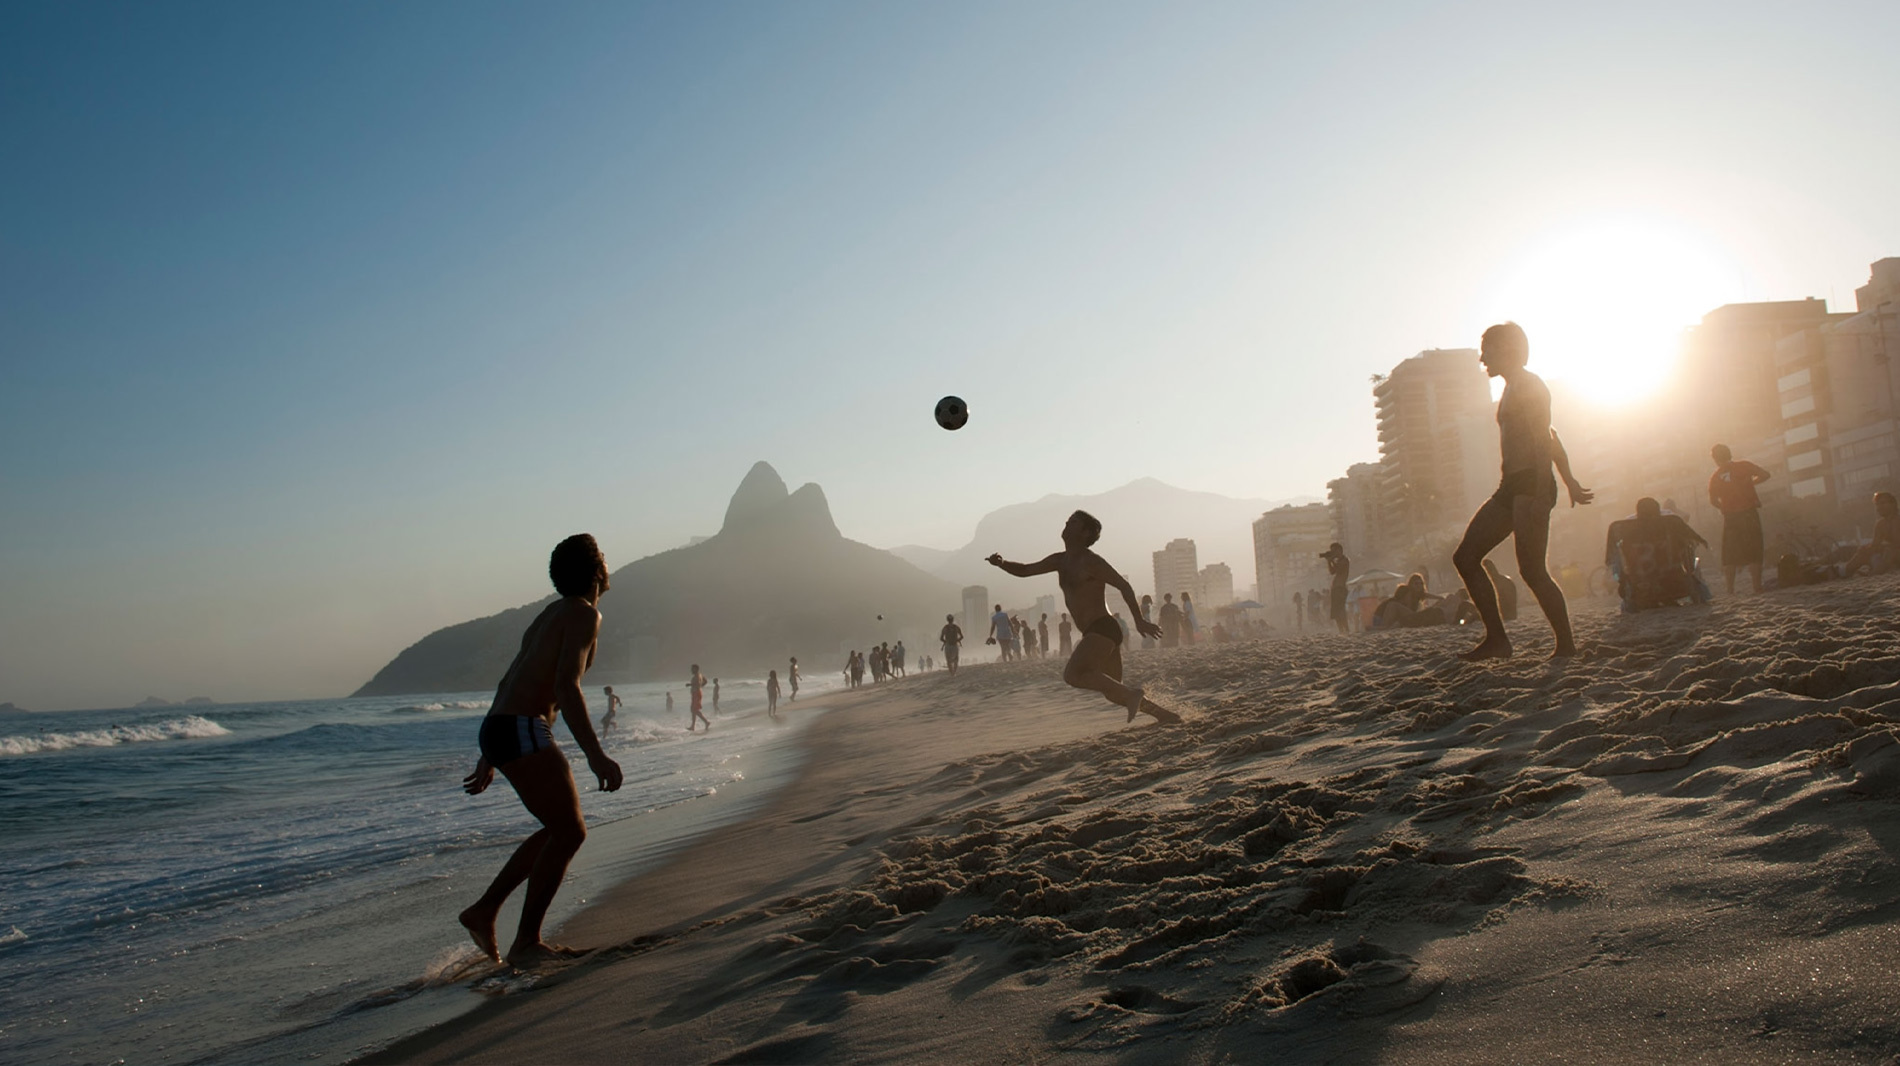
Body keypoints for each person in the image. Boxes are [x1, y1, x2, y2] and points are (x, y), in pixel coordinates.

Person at [459, 534, 623, 968]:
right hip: (522, 727)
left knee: (559, 829)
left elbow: (507, 681)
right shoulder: (584, 613)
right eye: (603, 559)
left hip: (499, 726)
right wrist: (596, 754)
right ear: (596, 571)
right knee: (570, 831)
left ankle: (485, 911)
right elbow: (565, 686)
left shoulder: (549, 615)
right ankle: (525, 943)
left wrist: (488, 752)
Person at [1451, 322, 1594, 660]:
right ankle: (1497, 641)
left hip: (1531, 483)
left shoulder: (1529, 384)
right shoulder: (1513, 387)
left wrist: (1546, 489)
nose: (1482, 356)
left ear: (1507, 349)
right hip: (1512, 487)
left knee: (1532, 570)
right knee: (1466, 557)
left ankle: (1566, 646)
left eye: (1487, 348)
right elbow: (1552, 434)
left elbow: (1545, 439)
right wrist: (1570, 480)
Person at [985, 510, 1179, 723]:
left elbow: (1123, 585)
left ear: (1086, 533)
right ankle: (1166, 716)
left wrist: (1139, 620)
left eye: (1074, 521)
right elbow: (1025, 571)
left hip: (1103, 628)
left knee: (1073, 674)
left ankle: (1134, 695)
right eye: (1068, 519)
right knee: (1114, 691)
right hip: (1096, 632)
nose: (1067, 522)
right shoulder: (1060, 560)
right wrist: (1002, 564)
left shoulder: (1091, 562)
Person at [1604, 497, 1706, 611]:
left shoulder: (1626, 528)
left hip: (1640, 583)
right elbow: (1690, 537)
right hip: (1674, 582)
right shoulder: (1670, 522)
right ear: (1658, 510)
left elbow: (1612, 554)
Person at [1708, 444, 1770, 595]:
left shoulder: (1715, 477)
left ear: (1715, 459)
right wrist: (1751, 483)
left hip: (1730, 517)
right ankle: (1757, 587)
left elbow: (1713, 501)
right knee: (1754, 550)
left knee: (1729, 554)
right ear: (1729, 454)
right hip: (1749, 513)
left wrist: (1724, 506)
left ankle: (1730, 590)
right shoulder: (1744, 466)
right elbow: (1765, 474)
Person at [1843, 492, 1899, 577]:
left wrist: (1880, 548)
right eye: (1877, 504)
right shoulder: (1880, 524)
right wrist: (1866, 549)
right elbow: (1875, 544)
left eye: (1883, 503)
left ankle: (1875, 572)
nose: (1879, 507)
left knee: (1890, 552)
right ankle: (1843, 572)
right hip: (1887, 555)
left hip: (1894, 555)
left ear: (1893, 504)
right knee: (1862, 553)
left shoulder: (1897, 520)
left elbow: (1896, 544)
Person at [1321, 543, 1351, 635]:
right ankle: (1341, 630)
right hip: (1335, 588)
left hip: (1340, 587)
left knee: (1341, 610)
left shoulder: (1345, 560)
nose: (1333, 552)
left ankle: (1346, 629)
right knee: (1335, 611)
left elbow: (1339, 570)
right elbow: (1332, 572)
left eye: (1334, 550)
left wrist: (1332, 560)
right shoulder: (1338, 561)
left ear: (1339, 550)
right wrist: (1329, 561)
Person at [687, 665, 711, 731]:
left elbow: (697, 683)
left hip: (696, 694)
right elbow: (705, 681)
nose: (691, 670)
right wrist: (701, 687)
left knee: (695, 710)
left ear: (696, 669)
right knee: (693, 710)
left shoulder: (697, 676)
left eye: (692, 669)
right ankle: (693, 726)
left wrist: (690, 685)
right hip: (696, 693)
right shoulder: (700, 675)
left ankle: (706, 722)